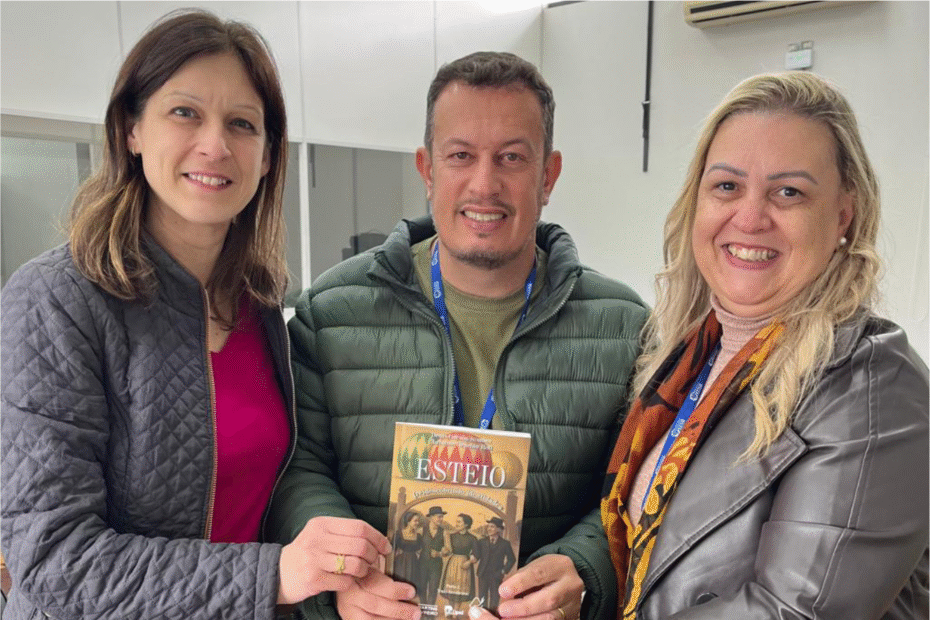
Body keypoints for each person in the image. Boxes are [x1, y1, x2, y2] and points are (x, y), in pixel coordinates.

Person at [0, 9, 387, 620]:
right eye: (185, 112)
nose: (215, 145)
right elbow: (54, 561)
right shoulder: (56, 299)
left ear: (267, 156)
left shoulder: (260, 304)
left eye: (242, 124)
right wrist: (274, 574)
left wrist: (335, 569)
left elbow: (267, 494)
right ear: (131, 129)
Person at [266, 51, 649, 620]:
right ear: (427, 170)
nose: (484, 184)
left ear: (548, 176)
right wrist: (340, 580)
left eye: (512, 157)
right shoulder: (333, 310)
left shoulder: (623, 327)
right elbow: (297, 469)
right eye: (460, 155)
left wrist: (586, 571)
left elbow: (635, 490)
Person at [601, 71, 929, 619]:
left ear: (843, 216)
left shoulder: (874, 388)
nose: (750, 218)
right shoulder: (688, 355)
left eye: (789, 192)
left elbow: (793, 611)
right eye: (727, 186)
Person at [472, 518, 517, 613]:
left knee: (495, 597)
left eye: (492, 527)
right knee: (482, 597)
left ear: (499, 529)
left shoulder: (505, 544)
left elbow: (511, 559)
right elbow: (476, 554)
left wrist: (503, 571)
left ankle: (492, 615)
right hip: (483, 573)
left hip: (496, 575)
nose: (489, 529)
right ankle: (482, 615)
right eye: (488, 526)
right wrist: (472, 555)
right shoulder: (481, 542)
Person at [439, 514, 479, 615]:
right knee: (450, 588)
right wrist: (443, 551)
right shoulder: (451, 536)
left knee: (460, 589)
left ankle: (456, 612)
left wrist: (469, 562)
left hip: (464, 565)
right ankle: (449, 611)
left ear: (466, 524)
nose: (456, 524)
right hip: (452, 563)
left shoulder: (472, 538)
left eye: (459, 522)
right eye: (456, 521)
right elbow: (446, 550)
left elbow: (476, 554)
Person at [421, 506, 451, 607]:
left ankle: (429, 611)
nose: (441, 519)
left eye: (442, 517)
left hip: (436, 565)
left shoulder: (445, 532)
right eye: (439, 516)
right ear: (431, 517)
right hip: (422, 564)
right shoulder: (422, 530)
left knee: (433, 589)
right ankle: (423, 609)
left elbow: (448, 549)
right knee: (422, 588)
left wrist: (439, 553)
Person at [393, 510, 424, 596]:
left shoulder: (418, 536)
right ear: (408, 521)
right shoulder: (399, 534)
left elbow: (421, 549)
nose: (417, 523)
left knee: (412, 585)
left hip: (414, 562)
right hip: (401, 562)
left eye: (418, 521)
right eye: (415, 521)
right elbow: (392, 549)